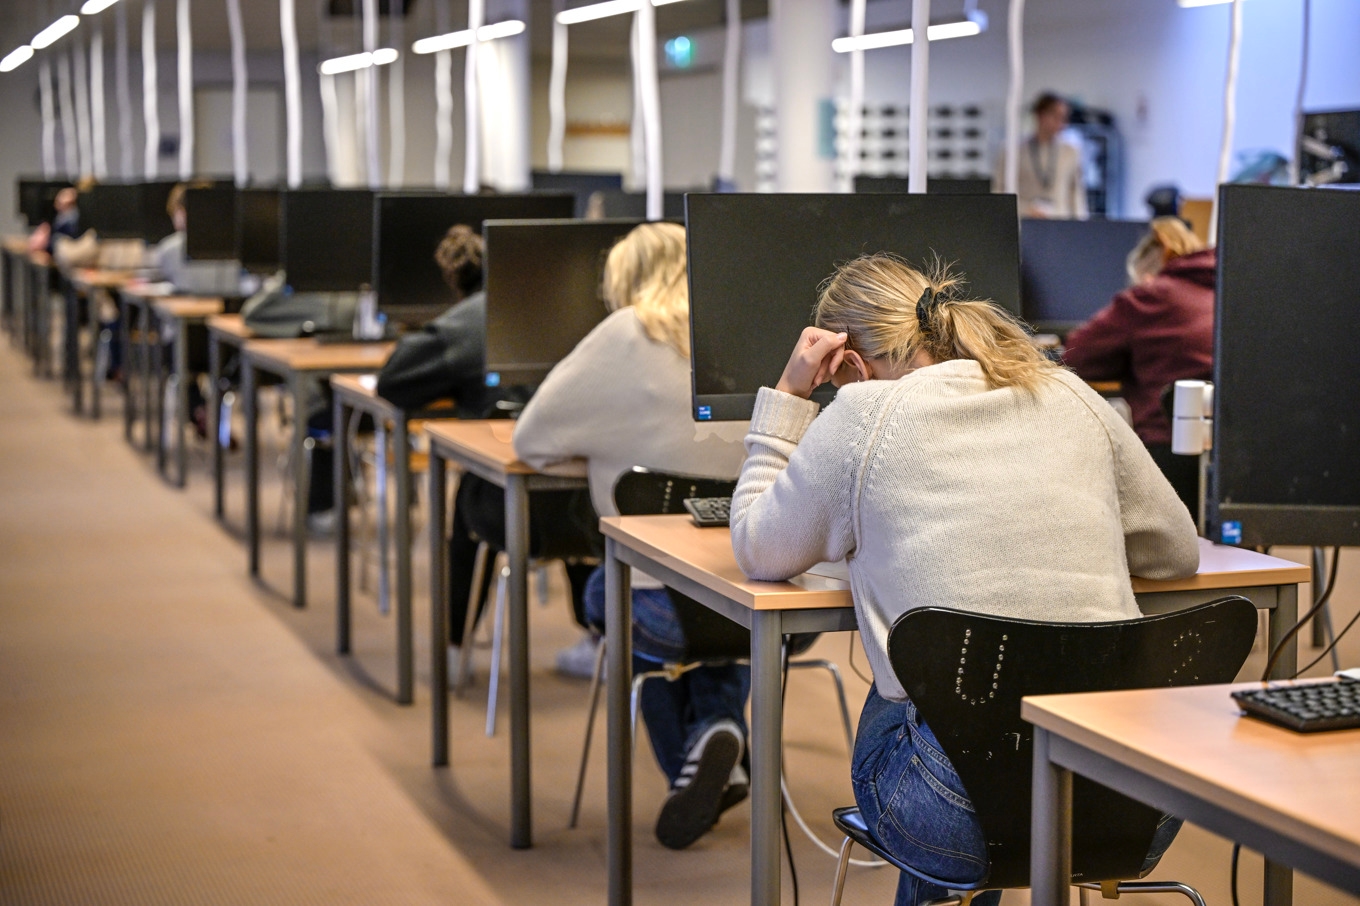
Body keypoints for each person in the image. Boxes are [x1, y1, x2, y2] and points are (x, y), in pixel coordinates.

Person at [728, 254, 1198, 905]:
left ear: (851, 363)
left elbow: (756, 546)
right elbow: (1176, 553)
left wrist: (787, 399)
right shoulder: (1069, 392)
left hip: (951, 820)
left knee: (920, 685)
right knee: (966, 683)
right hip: (1133, 803)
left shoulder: (861, 415)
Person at [512, 222, 752, 850]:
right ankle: (720, 729)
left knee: (611, 593)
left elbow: (531, 441)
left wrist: (600, 455)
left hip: (658, 606)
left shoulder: (625, 332)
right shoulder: (746, 332)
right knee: (721, 620)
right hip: (763, 601)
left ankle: (693, 762)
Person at [375, 225, 597, 668]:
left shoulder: (469, 321)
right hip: (590, 512)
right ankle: (597, 639)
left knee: (469, 497)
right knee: (574, 472)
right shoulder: (581, 312)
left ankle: (456, 646)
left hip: (508, 513)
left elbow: (393, 382)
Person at [1062, 217, 1214, 515]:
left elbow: (1077, 355)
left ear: (1148, 272)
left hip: (1172, 453)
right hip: (1233, 457)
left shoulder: (1154, 294)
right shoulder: (1227, 287)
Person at [993, 92, 1088, 219]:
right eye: (1056, 116)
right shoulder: (1013, 151)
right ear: (1040, 115)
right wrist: (1024, 209)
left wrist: (1081, 226)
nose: (1061, 123)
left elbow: (1076, 192)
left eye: (1064, 118)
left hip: (1060, 222)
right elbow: (999, 192)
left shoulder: (1070, 152)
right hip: (1025, 220)